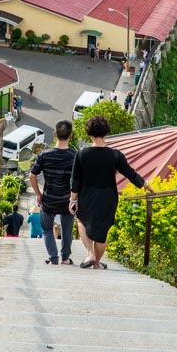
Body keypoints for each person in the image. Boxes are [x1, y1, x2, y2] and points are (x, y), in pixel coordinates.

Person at [70, 114, 156, 270]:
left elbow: (75, 179)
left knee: (82, 220)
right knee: (103, 229)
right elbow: (130, 173)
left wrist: (73, 200)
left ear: (89, 134)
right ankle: (96, 264)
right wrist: (146, 184)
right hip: (108, 196)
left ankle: (90, 254)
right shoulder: (115, 155)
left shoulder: (82, 154)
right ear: (106, 133)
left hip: (87, 194)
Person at [29, 120, 77, 265]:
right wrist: (76, 198)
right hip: (68, 201)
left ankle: (53, 258)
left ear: (55, 134)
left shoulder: (45, 155)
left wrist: (38, 194)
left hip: (48, 199)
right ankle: (65, 258)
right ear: (71, 135)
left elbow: (32, 175)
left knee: (47, 230)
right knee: (67, 231)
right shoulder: (75, 156)